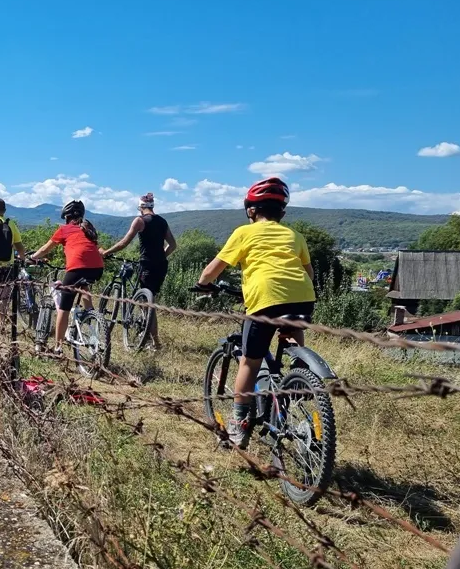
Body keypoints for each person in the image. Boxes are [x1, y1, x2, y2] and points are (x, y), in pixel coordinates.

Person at [195, 177, 316, 448]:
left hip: (265, 299)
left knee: (250, 361)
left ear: (251, 210)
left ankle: (239, 426)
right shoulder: (295, 235)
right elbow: (309, 273)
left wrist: (203, 284)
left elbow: (213, 269)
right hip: (303, 297)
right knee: (291, 336)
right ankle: (299, 377)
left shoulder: (243, 233)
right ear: (282, 213)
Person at [100, 192, 177, 348]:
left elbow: (124, 243)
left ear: (141, 207)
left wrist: (106, 252)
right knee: (149, 299)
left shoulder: (140, 221)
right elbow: (173, 245)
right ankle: (148, 335)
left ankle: (154, 341)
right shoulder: (162, 221)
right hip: (161, 265)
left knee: (147, 303)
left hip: (147, 264)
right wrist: (161, 255)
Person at [29, 200, 104, 353]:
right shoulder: (88, 229)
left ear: (66, 217)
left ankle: (58, 347)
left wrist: (32, 258)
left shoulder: (64, 230)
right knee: (84, 286)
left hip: (76, 269)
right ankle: (90, 314)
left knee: (64, 307)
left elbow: (45, 249)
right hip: (97, 269)